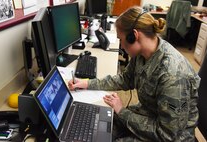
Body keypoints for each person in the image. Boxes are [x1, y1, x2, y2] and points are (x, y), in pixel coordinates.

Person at [68, 6, 200, 141]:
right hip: (149, 114)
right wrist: (86, 83)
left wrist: (122, 111)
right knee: (97, 130)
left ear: (134, 36)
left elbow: (167, 135)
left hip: (171, 137)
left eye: (121, 39)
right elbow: (125, 79)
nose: (121, 45)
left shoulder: (172, 75)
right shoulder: (143, 53)